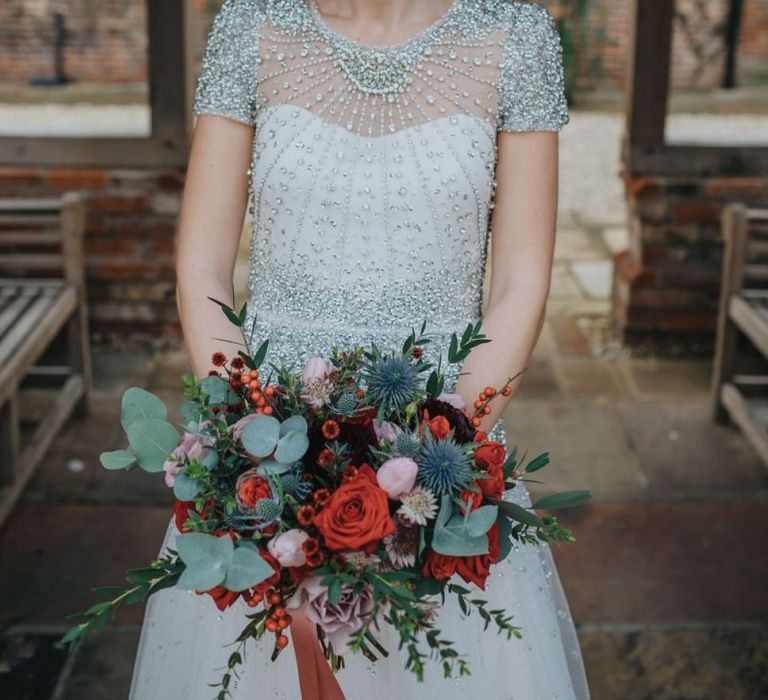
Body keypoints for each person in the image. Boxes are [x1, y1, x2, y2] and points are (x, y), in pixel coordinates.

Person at [129, 0, 590, 697]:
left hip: (442, 462)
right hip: (269, 454)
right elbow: (202, 266)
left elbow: (520, 283)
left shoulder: (517, 37)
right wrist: (253, 444)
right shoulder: (250, 24)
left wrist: (438, 458)